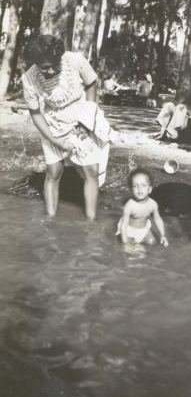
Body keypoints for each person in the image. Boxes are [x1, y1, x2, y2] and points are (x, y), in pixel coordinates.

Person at [22, 34, 104, 221]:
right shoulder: (29, 79)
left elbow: (91, 84)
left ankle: (90, 219)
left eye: (54, 65)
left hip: (82, 117)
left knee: (91, 170)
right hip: (53, 123)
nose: (50, 71)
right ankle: (50, 219)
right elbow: (35, 113)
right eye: (44, 68)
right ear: (35, 63)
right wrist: (54, 140)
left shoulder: (75, 60)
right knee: (53, 173)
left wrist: (86, 121)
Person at [116, 168, 169, 246]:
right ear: (131, 190)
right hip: (128, 229)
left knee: (152, 242)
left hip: (143, 229)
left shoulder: (153, 204)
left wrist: (163, 235)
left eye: (143, 185)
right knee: (132, 249)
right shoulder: (130, 205)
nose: (139, 189)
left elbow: (157, 219)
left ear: (150, 189)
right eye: (135, 186)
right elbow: (124, 225)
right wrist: (125, 241)